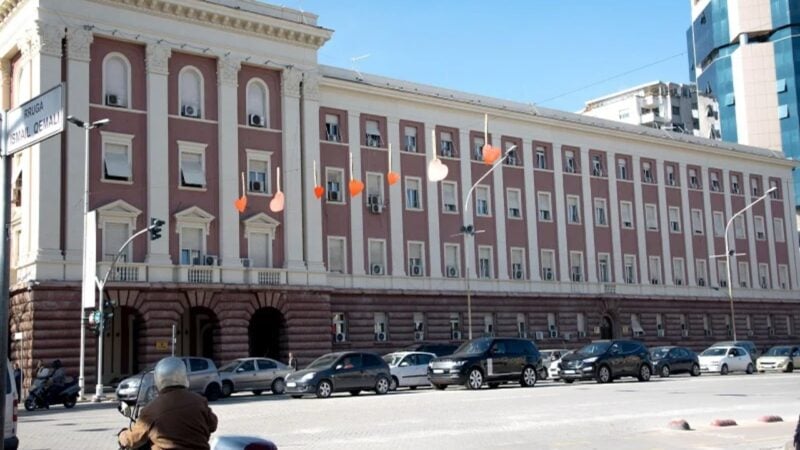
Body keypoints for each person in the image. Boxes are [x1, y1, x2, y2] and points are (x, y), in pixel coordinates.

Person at [118, 356, 218, 450]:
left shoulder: (151, 409)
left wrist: (122, 434)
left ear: (158, 380)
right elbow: (213, 424)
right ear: (184, 377)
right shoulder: (200, 401)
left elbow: (132, 440)